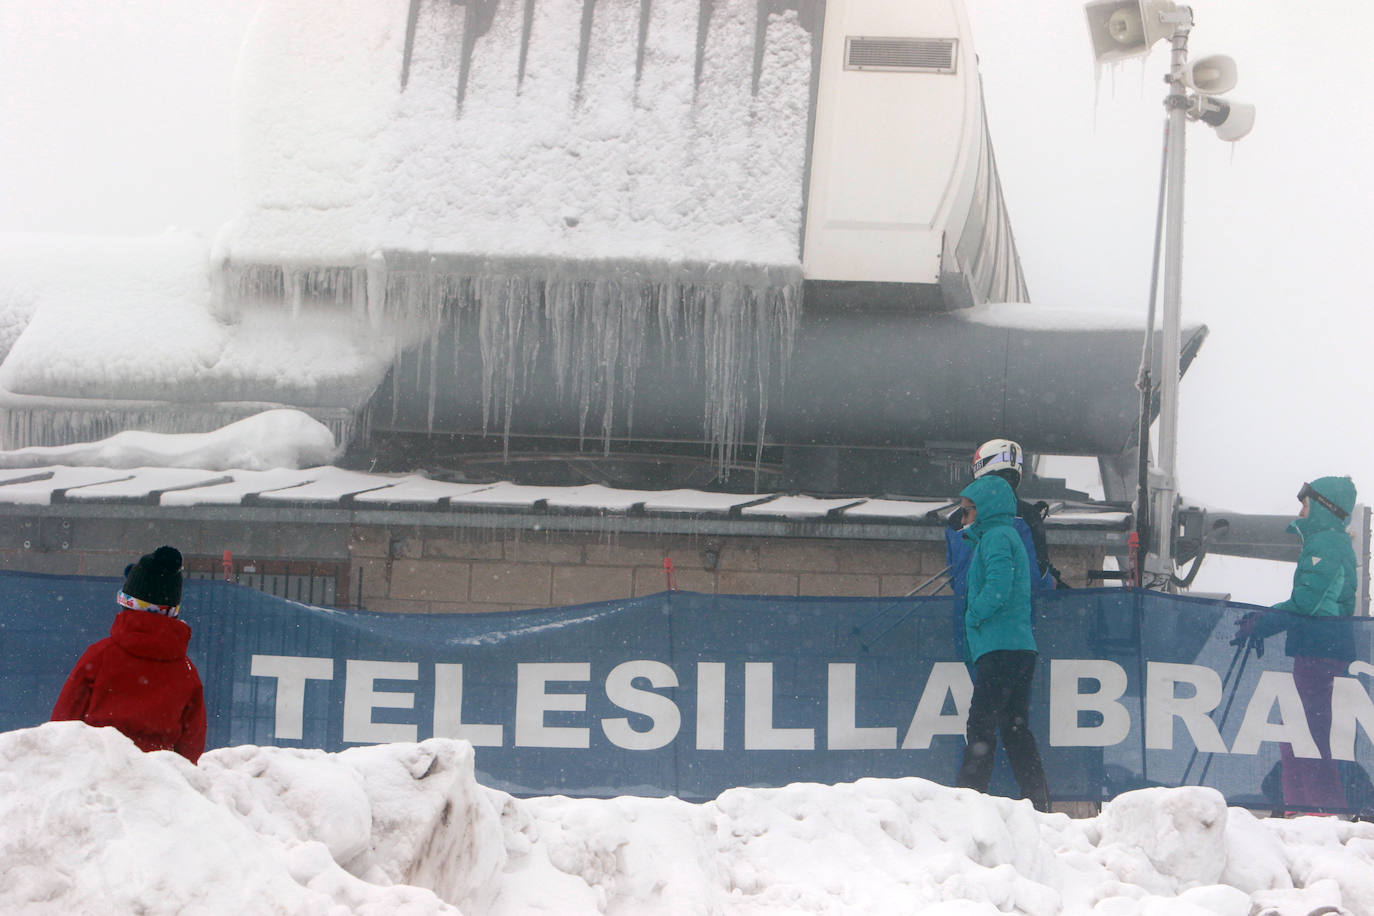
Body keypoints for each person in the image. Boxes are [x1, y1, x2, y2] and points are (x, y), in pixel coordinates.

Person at [1236, 476, 1358, 815]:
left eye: (1306, 503)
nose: (1300, 510)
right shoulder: (1325, 543)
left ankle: (1318, 812)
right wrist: (1265, 623)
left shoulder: (1328, 545)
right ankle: (1302, 808)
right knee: (1297, 733)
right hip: (1317, 652)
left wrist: (1263, 622)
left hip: (1321, 653)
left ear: (1322, 507)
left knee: (1308, 734)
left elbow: (1309, 603)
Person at [51, 545, 206, 764]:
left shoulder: (100, 655)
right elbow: (192, 743)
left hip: (97, 771)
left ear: (127, 602)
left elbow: (63, 723)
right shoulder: (186, 671)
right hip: (158, 780)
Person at [953, 473, 1051, 812]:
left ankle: (969, 799)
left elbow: (998, 585)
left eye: (967, 512)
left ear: (986, 510)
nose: (962, 519)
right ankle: (1038, 803)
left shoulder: (995, 538)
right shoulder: (1002, 536)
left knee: (981, 725)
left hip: (1000, 648)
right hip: (1017, 647)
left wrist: (974, 614)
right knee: (1014, 728)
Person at [944, 438, 1056, 596]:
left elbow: (954, 577)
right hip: (1013, 615)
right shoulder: (1027, 516)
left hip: (968, 614)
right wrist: (1052, 582)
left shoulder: (957, 520)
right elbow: (1035, 579)